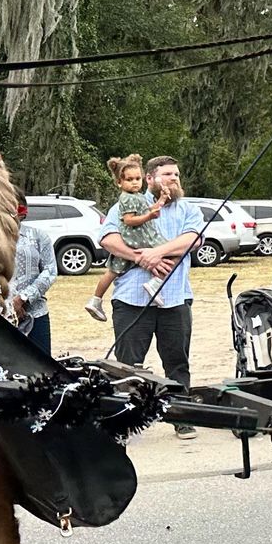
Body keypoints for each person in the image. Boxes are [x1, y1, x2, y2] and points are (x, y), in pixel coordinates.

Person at [99, 157, 204, 425]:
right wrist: (141, 258)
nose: (174, 178)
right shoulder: (127, 204)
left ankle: (181, 417)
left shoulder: (187, 209)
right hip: (132, 299)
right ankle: (126, 419)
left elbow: (192, 239)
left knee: (177, 363)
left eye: (177, 174)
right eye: (167, 174)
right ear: (149, 179)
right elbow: (108, 239)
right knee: (127, 366)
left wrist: (157, 252)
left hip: (175, 298)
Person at [87, 155, 167, 322]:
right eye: (129, 179)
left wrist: (162, 199)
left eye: (138, 178)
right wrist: (149, 217)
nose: (135, 182)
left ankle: (96, 300)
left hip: (129, 242)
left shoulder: (137, 197)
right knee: (167, 251)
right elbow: (129, 220)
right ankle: (155, 283)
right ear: (119, 182)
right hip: (138, 238)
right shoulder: (128, 198)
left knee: (112, 271)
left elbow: (148, 209)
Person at [8, 199, 57, 353]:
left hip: (36, 312)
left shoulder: (38, 236)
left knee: (42, 369)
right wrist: (7, 303)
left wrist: (23, 298)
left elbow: (50, 271)